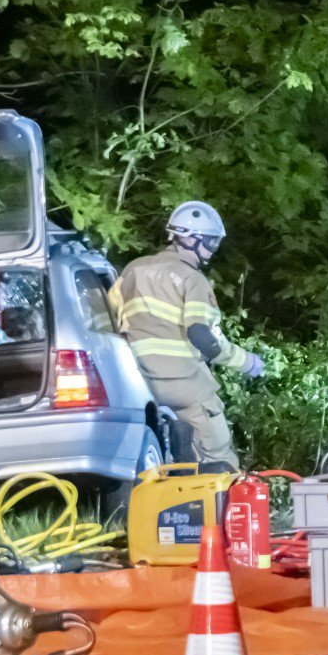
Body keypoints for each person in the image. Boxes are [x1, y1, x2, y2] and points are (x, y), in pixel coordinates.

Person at [110, 201, 264, 471]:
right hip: (184, 383)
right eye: (211, 242)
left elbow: (108, 318)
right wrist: (247, 362)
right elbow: (201, 335)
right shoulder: (192, 279)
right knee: (217, 453)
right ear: (189, 238)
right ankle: (222, 504)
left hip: (140, 383)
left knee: (158, 460)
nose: (213, 251)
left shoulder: (133, 269)